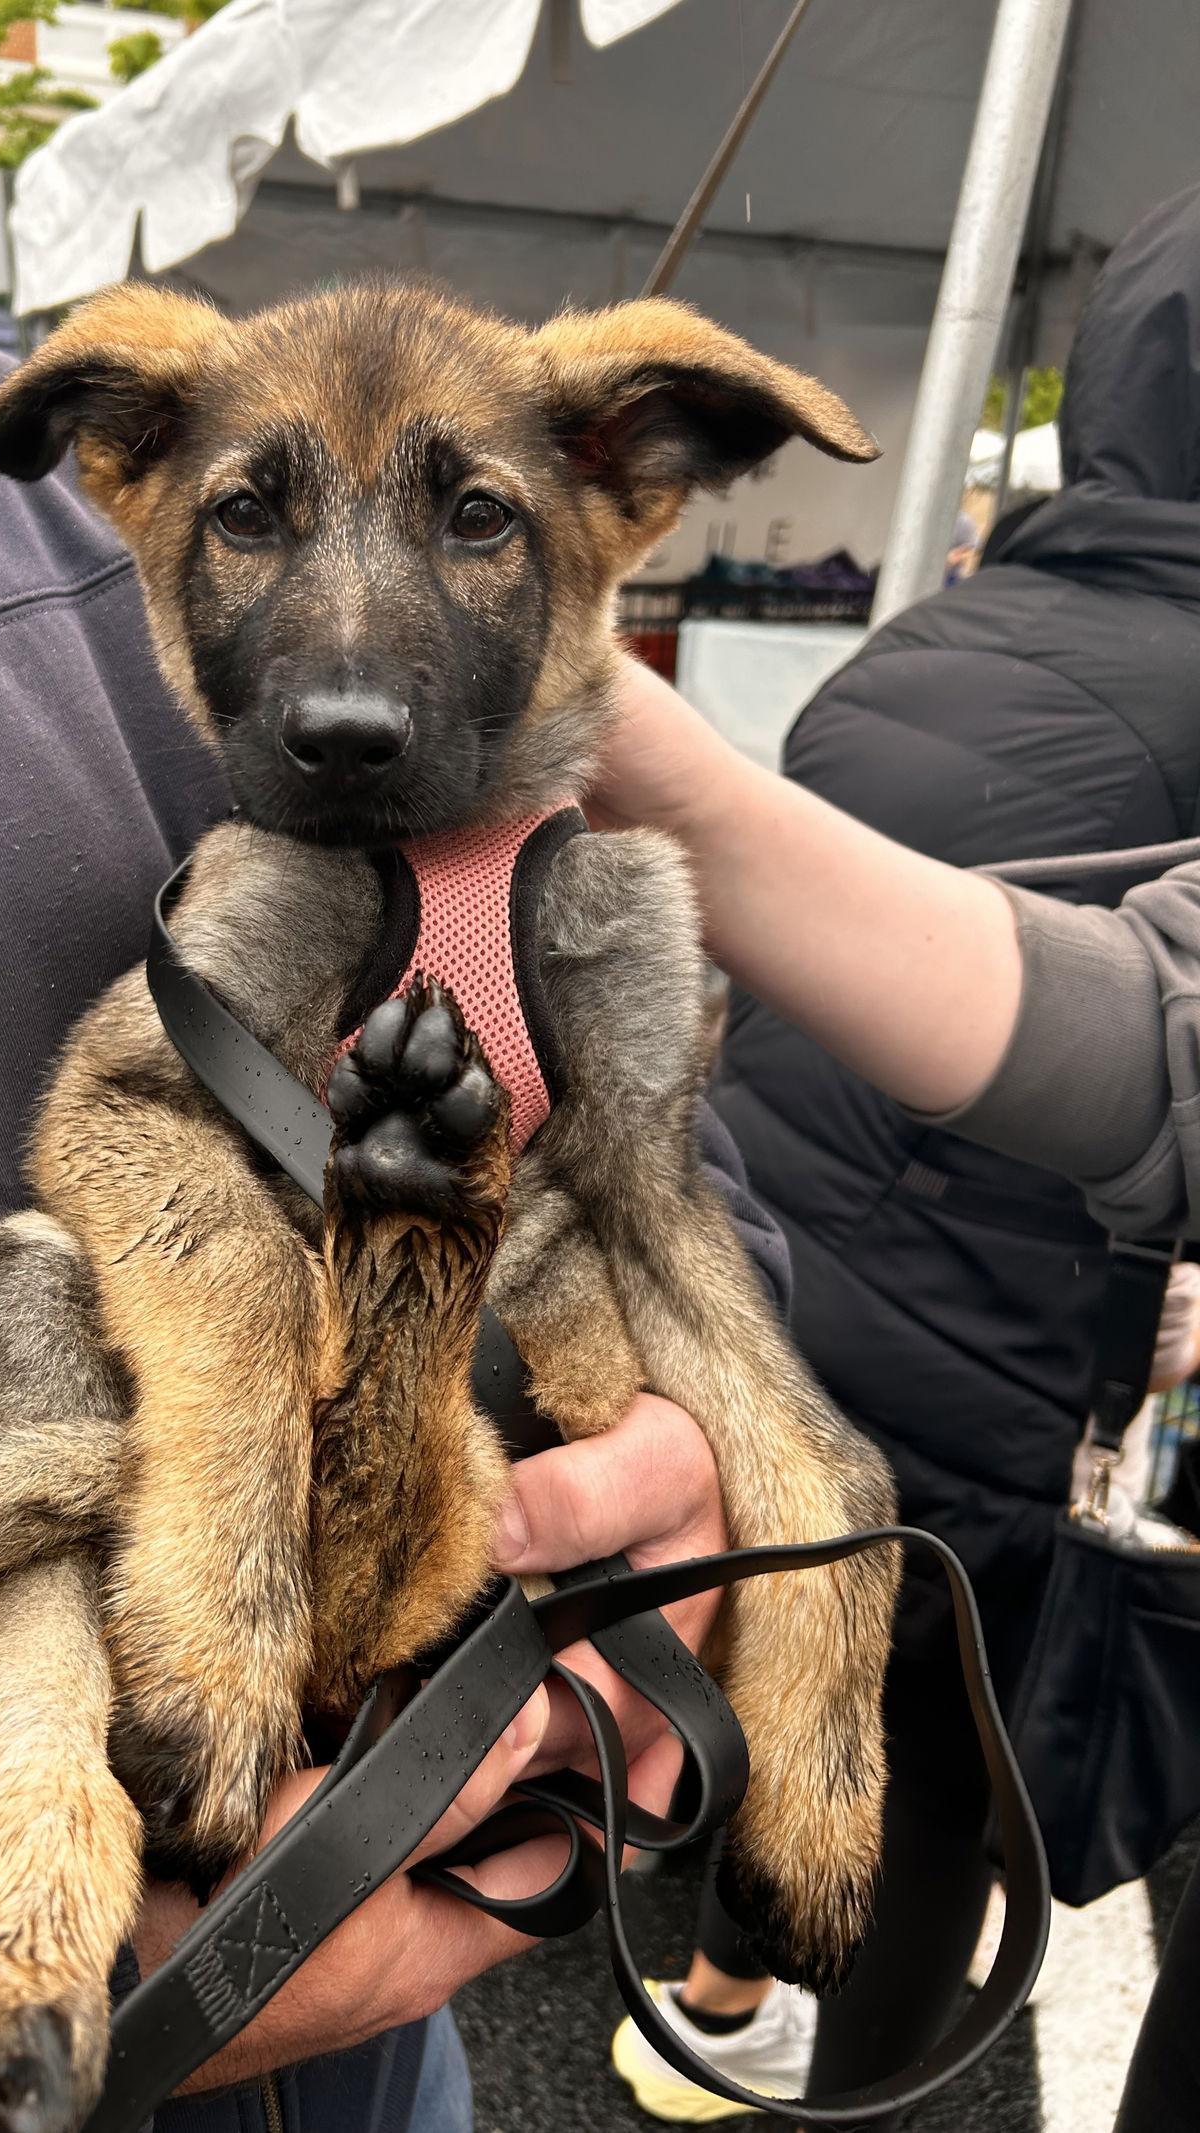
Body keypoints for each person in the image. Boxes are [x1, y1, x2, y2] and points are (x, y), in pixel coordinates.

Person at [0, 193, 785, 2133]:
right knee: (35, 1311)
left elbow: (578, 1098)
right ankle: (20, 1913)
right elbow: (122, 1124)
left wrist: (671, 1442)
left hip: (382, 2038)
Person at [612, 177, 1200, 2120]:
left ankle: (698, 1997)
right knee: (929, 1807)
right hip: (1004, 1358)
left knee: (793, 1673)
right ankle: (832, 2078)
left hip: (770, 1284)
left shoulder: (932, 630)